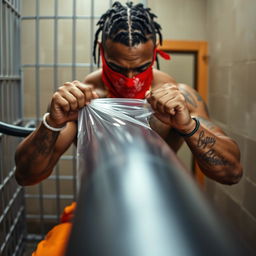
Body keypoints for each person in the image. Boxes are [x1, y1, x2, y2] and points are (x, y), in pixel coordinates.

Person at [14, 1, 243, 255]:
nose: (131, 79)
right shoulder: (85, 101)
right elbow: (26, 175)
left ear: (155, 53)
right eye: (118, 68)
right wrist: (51, 123)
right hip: (98, 210)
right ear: (102, 52)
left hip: (163, 208)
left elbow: (232, 172)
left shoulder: (181, 98)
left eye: (141, 67)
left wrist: (188, 126)